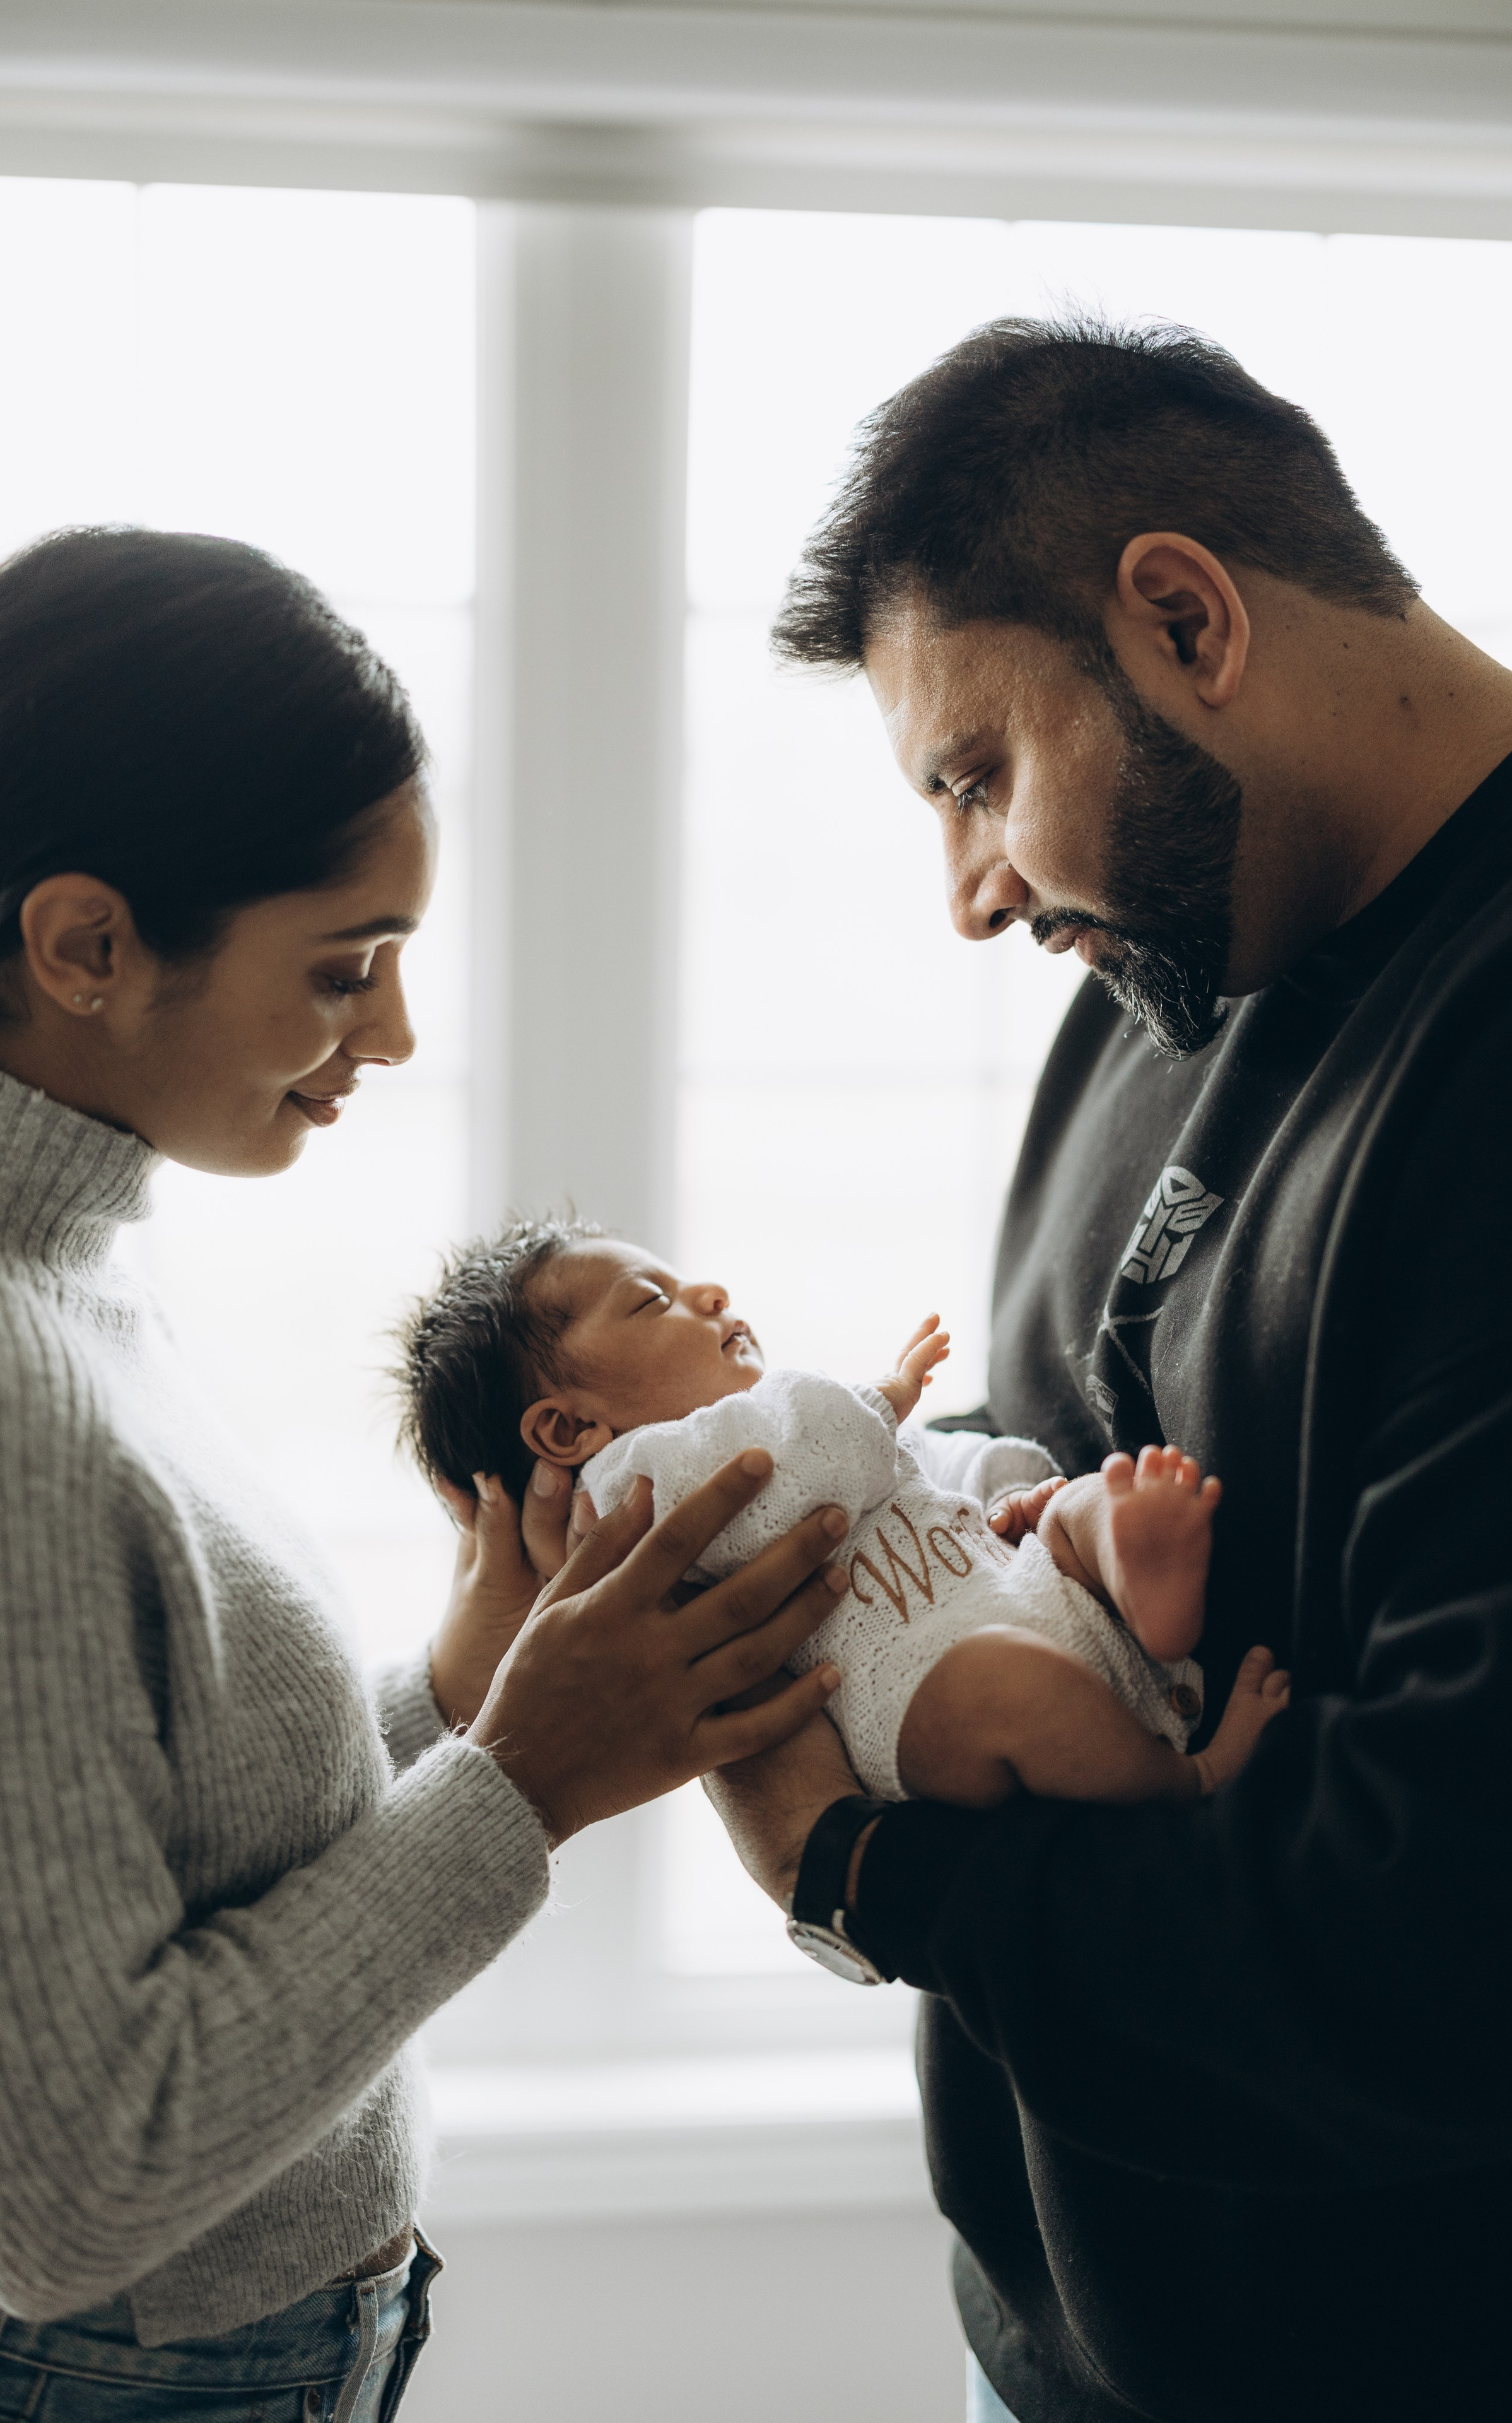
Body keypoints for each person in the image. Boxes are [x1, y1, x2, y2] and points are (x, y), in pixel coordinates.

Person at [0, 528, 847, 2423]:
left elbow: (144, 1867)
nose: (393, 1038)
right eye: (348, 967)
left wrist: (454, 1705)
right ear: (86, 944)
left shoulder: (53, 1260)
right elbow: (61, 2193)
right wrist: (528, 1783)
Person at [698, 315, 1512, 2422]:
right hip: (1060, 2346)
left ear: (1183, 617)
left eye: (978, 773)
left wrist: (857, 1871)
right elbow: (1103, 1444)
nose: (973, 890)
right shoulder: (1176, 973)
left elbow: (1430, 1939)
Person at [399, 1220, 1286, 1812]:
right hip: (919, 1688)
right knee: (1007, 1686)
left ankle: (1129, 1568)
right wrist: (889, 1395)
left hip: (1004, 1585)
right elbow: (812, 1466)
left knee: (1083, 1503)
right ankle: (1187, 1778)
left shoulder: (787, 1422)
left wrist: (1005, 1494)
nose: (708, 1292)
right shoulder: (635, 1493)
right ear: (568, 1427)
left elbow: (911, 1470)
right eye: (650, 1300)